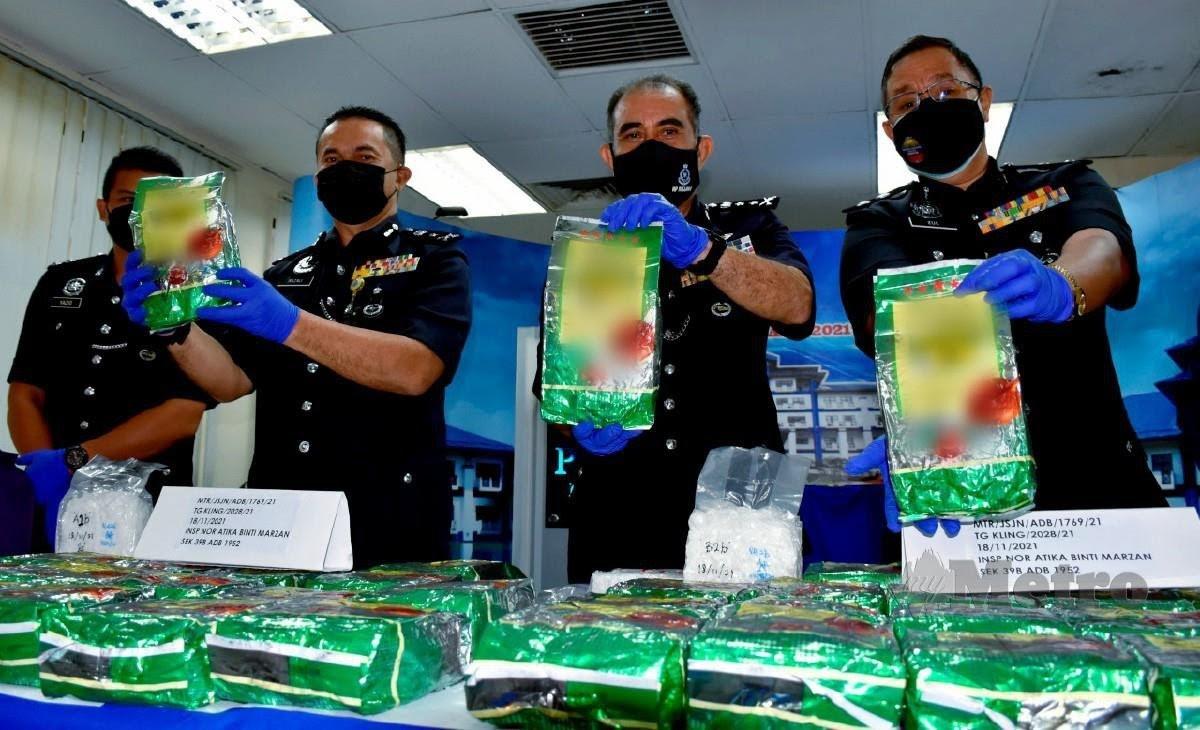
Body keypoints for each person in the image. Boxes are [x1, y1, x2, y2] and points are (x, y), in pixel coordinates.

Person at [841, 35, 1167, 537]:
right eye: (906, 103)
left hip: (1103, 485)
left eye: (946, 91)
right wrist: (916, 440)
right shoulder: (878, 222)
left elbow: (1104, 251)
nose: (928, 108)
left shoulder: (1064, 184)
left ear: (984, 101)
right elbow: (884, 319)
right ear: (890, 130)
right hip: (964, 489)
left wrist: (1062, 285)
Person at [121, 107, 471, 567]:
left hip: (388, 520)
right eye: (331, 159)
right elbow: (229, 381)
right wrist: (175, 329)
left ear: (399, 176)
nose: (345, 168)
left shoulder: (435, 261)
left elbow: (416, 370)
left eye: (364, 157)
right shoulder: (285, 274)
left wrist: (290, 324)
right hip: (281, 518)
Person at [537, 75, 817, 582]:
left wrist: (703, 251)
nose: (651, 146)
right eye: (633, 135)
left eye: (669, 131)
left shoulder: (750, 229)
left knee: (746, 633)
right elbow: (555, 388)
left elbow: (798, 307)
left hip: (738, 515)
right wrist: (574, 425)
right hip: (619, 508)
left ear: (700, 149)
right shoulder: (583, 256)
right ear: (609, 156)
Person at [8, 147, 212, 546]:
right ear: (104, 209)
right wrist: (45, 471)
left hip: (150, 505)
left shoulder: (194, 294)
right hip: (52, 500)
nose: (139, 214)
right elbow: (25, 391)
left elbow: (183, 414)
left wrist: (73, 463)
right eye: (127, 200)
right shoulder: (60, 284)